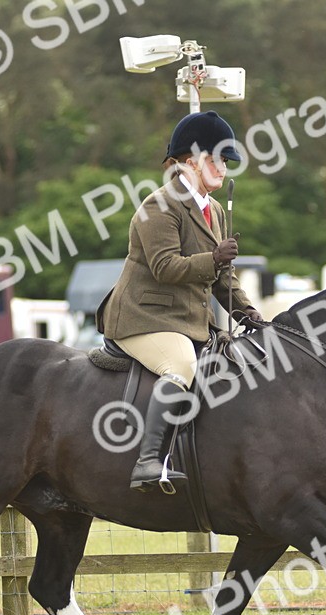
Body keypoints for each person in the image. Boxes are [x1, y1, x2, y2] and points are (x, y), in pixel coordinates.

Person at [97, 110, 264, 492]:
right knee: (181, 365)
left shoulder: (214, 210)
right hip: (144, 317)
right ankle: (148, 462)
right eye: (219, 159)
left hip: (185, 320)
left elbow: (222, 280)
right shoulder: (159, 205)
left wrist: (248, 310)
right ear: (192, 161)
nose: (224, 168)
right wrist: (215, 258)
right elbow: (165, 267)